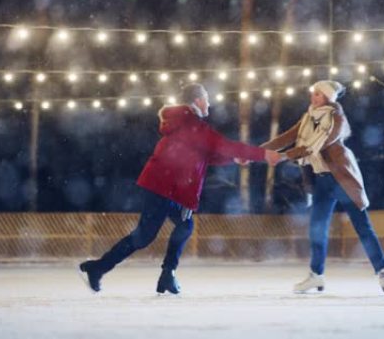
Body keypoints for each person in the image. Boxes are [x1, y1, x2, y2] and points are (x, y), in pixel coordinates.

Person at [79, 83, 285, 294]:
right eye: (206, 98)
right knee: (147, 236)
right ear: (197, 101)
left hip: (165, 185)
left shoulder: (184, 123)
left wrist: (233, 158)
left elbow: (205, 155)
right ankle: (99, 268)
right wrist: (263, 154)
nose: (209, 103)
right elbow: (222, 144)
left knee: (180, 227)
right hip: (167, 187)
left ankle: (164, 274)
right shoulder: (191, 123)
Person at [261, 80, 384, 295]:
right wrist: (253, 152)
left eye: (318, 94)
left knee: (362, 227)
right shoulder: (307, 118)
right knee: (317, 230)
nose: (313, 97)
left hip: (342, 178)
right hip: (322, 181)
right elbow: (287, 137)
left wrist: (282, 157)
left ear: (328, 97)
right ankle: (316, 275)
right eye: (313, 93)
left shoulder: (337, 119)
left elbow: (316, 145)